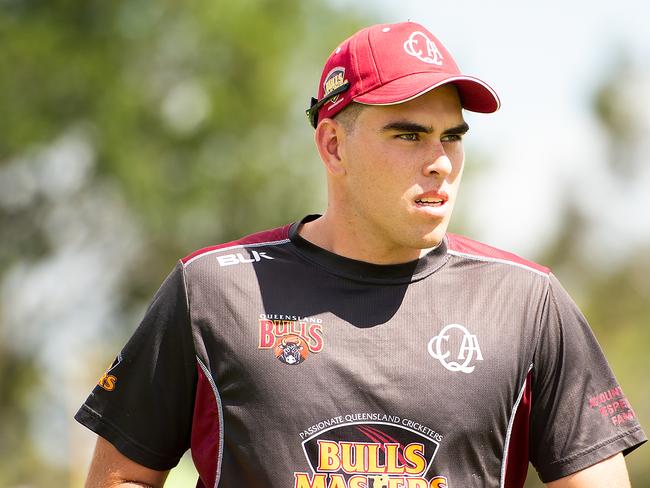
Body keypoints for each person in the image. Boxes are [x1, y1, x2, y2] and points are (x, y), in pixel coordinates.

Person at [76, 21, 646, 487]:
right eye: (408, 135)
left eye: (452, 136)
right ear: (332, 146)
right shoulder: (214, 289)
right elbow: (120, 478)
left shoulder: (527, 301)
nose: (441, 161)